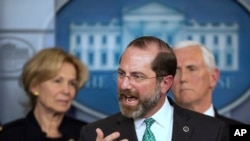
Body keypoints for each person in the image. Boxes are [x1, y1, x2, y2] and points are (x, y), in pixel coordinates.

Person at [79, 36, 229, 141]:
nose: (124, 85)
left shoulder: (212, 131)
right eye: (121, 74)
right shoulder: (95, 134)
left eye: (137, 76)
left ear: (165, 83)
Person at [0, 47, 89, 141]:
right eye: (57, 81)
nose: (66, 91)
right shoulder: (9, 136)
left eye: (72, 83)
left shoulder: (86, 134)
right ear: (34, 86)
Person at [171, 40, 245, 125]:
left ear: (213, 77)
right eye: (176, 71)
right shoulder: (155, 133)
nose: (183, 78)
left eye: (192, 69)